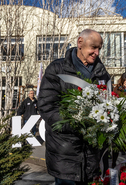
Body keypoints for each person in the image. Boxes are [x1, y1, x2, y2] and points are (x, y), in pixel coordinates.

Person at [38, 29, 111, 185]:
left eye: (99, 48)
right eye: (93, 47)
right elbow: (46, 106)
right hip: (64, 155)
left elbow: (109, 104)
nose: (96, 52)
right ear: (80, 43)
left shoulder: (102, 74)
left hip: (93, 156)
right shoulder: (57, 69)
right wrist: (76, 123)